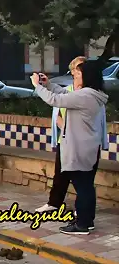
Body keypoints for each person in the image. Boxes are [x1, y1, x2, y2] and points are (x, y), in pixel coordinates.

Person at [31, 61, 108, 235]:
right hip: (87, 146)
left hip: (79, 148)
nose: (74, 75)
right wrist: (48, 84)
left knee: (83, 187)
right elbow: (64, 93)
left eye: (78, 73)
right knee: (86, 185)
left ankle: (82, 225)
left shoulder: (85, 95)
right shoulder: (91, 94)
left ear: (87, 76)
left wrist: (37, 86)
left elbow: (55, 100)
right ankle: (86, 221)